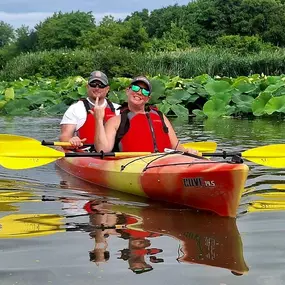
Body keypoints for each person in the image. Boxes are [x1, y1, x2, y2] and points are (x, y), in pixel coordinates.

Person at [91, 75, 198, 154]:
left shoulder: (160, 116)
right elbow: (103, 149)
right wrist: (99, 120)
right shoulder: (115, 121)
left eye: (145, 91)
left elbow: (175, 145)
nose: (139, 93)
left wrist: (187, 151)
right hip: (132, 166)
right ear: (127, 91)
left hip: (164, 162)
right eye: (136, 88)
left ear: (148, 99)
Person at [59, 71, 120, 148]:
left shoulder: (118, 109)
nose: (97, 88)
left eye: (101, 85)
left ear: (107, 89)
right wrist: (71, 140)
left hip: (113, 155)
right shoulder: (75, 109)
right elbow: (64, 136)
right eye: (93, 84)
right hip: (84, 154)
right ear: (87, 87)